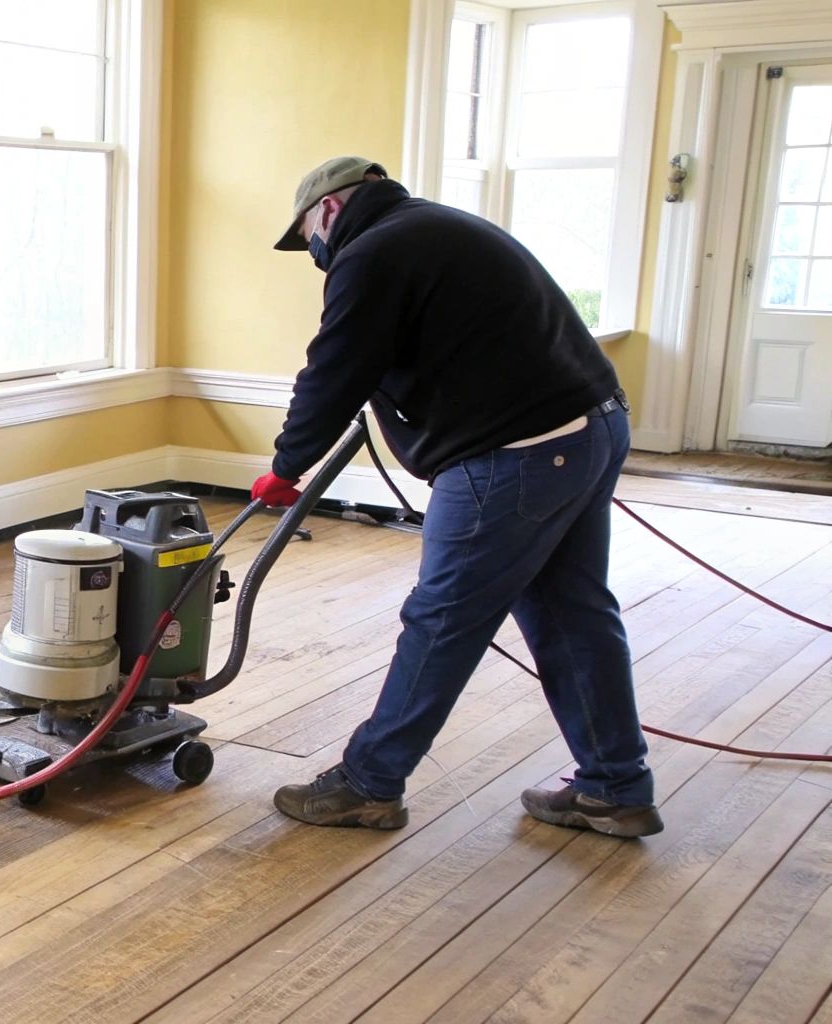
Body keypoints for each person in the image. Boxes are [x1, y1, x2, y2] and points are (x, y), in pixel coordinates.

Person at [255, 156, 662, 838]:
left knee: (443, 619)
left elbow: (333, 369)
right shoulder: (433, 228)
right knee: (572, 612)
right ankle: (615, 786)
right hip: (589, 425)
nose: (316, 256)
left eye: (308, 240)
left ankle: (368, 782)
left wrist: (286, 466)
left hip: (519, 450)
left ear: (326, 210)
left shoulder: (371, 254)